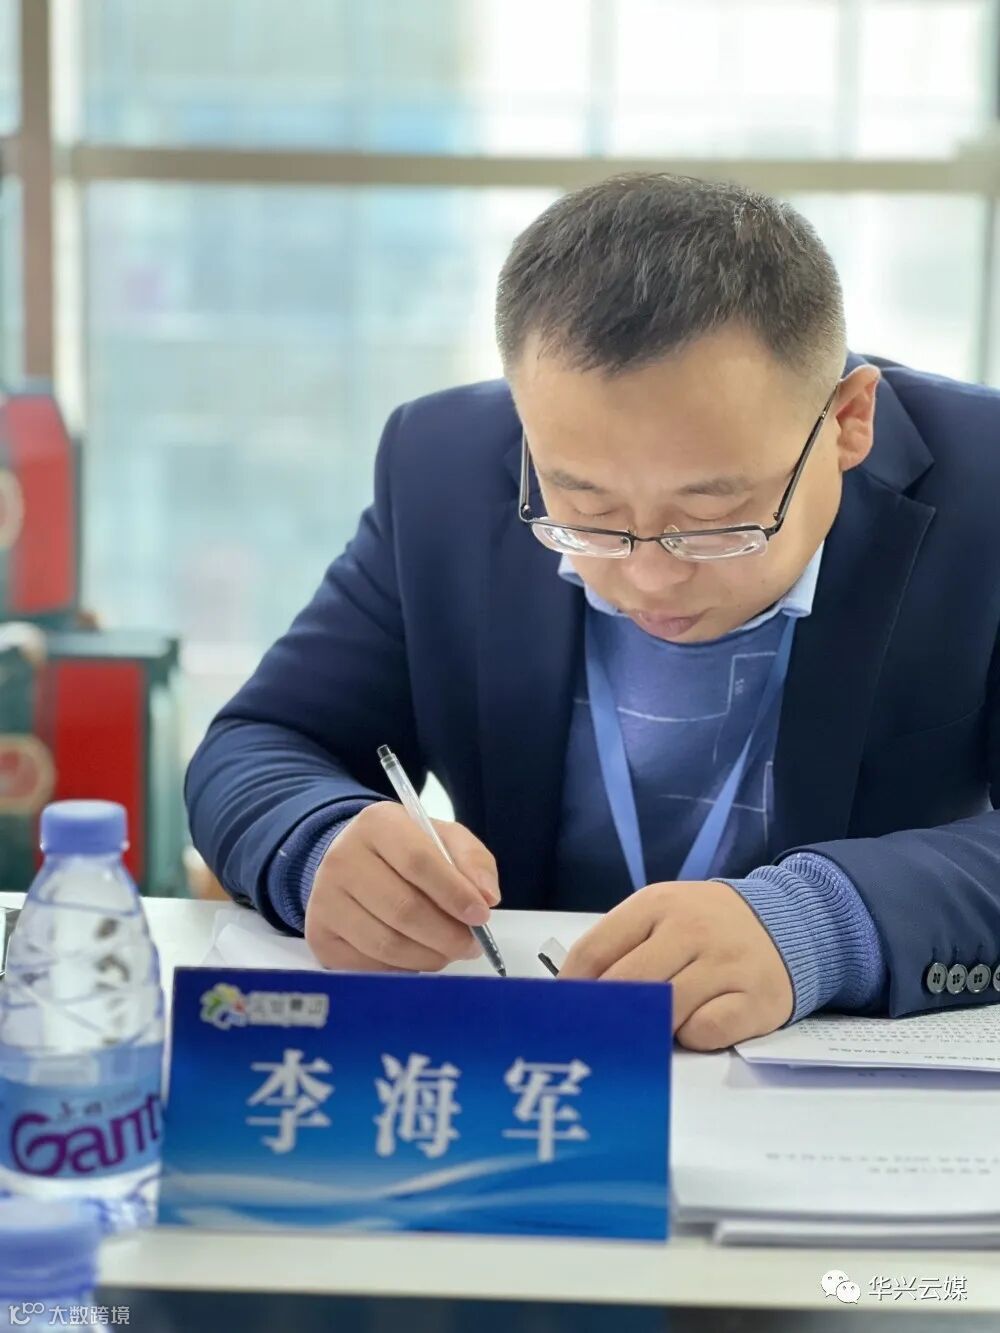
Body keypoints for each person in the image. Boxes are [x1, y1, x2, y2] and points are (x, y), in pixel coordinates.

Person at [186, 172, 1000, 1051]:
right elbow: (259, 742)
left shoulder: (982, 482)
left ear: (848, 420)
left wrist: (822, 924)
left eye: (715, 515)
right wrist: (319, 844)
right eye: (586, 509)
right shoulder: (444, 468)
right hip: (529, 1054)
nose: (648, 576)